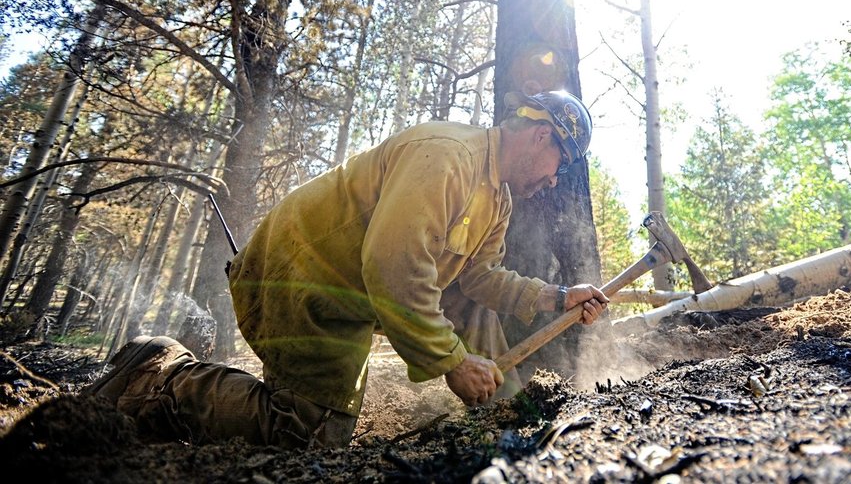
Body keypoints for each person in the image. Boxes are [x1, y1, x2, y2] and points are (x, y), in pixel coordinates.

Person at [86, 90, 609, 449]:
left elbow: (478, 279)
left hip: (345, 299)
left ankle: (500, 418)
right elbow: (392, 264)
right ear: (541, 136)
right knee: (308, 433)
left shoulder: (497, 200)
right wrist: (452, 361)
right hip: (296, 274)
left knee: (466, 305)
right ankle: (162, 377)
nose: (557, 181)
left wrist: (557, 296)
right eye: (562, 166)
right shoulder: (448, 157)